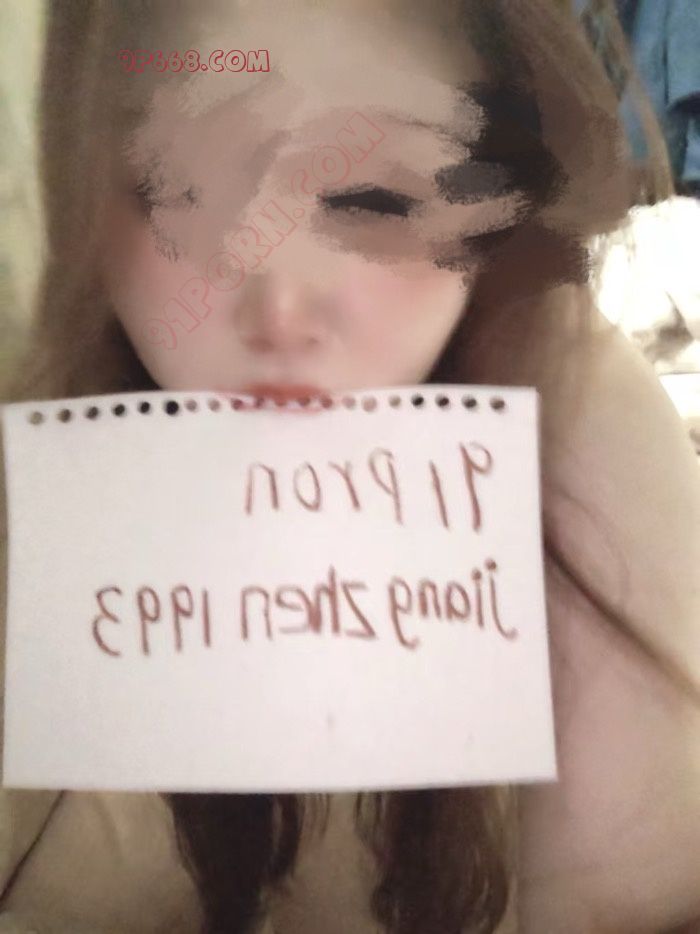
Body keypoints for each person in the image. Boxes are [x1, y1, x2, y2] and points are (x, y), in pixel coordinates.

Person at [1, 1, 699, 932]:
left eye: (376, 200)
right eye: (170, 187)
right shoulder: (49, 455)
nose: (277, 306)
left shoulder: (575, 434)